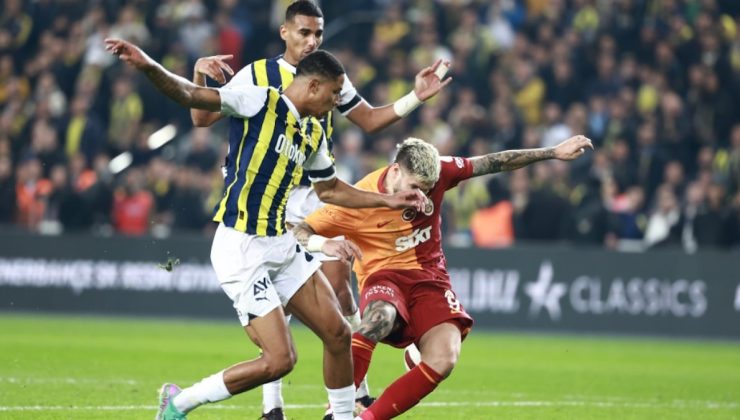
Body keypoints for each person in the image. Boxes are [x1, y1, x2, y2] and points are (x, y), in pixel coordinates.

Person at [104, 38, 426, 420]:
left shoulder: (313, 133)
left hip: (281, 244)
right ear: (313, 86)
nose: (337, 101)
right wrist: (146, 64)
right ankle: (178, 403)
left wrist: (389, 200)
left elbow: (330, 190)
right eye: (334, 93)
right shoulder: (258, 100)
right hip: (241, 246)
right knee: (279, 360)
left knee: (339, 333)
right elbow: (191, 95)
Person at [189, 2, 450, 417]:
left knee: (337, 290)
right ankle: (274, 405)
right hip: (266, 201)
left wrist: (413, 98)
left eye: (318, 34)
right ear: (285, 32)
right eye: (304, 32)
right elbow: (202, 117)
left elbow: (369, 120)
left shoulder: (332, 77)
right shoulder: (257, 76)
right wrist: (199, 74)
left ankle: (346, 400)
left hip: (316, 189)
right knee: (281, 311)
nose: (312, 41)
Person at [294, 135, 593, 419]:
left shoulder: (440, 171)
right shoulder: (356, 201)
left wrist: (552, 152)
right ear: (395, 171)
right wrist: (324, 244)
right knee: (379, 319)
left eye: (427, 189)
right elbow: (299, 230)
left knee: (445, 357)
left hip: (429, 278)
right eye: (415, 187)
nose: (421, 197)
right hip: (383, 277)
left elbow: (494, 161)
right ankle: (336, 411)